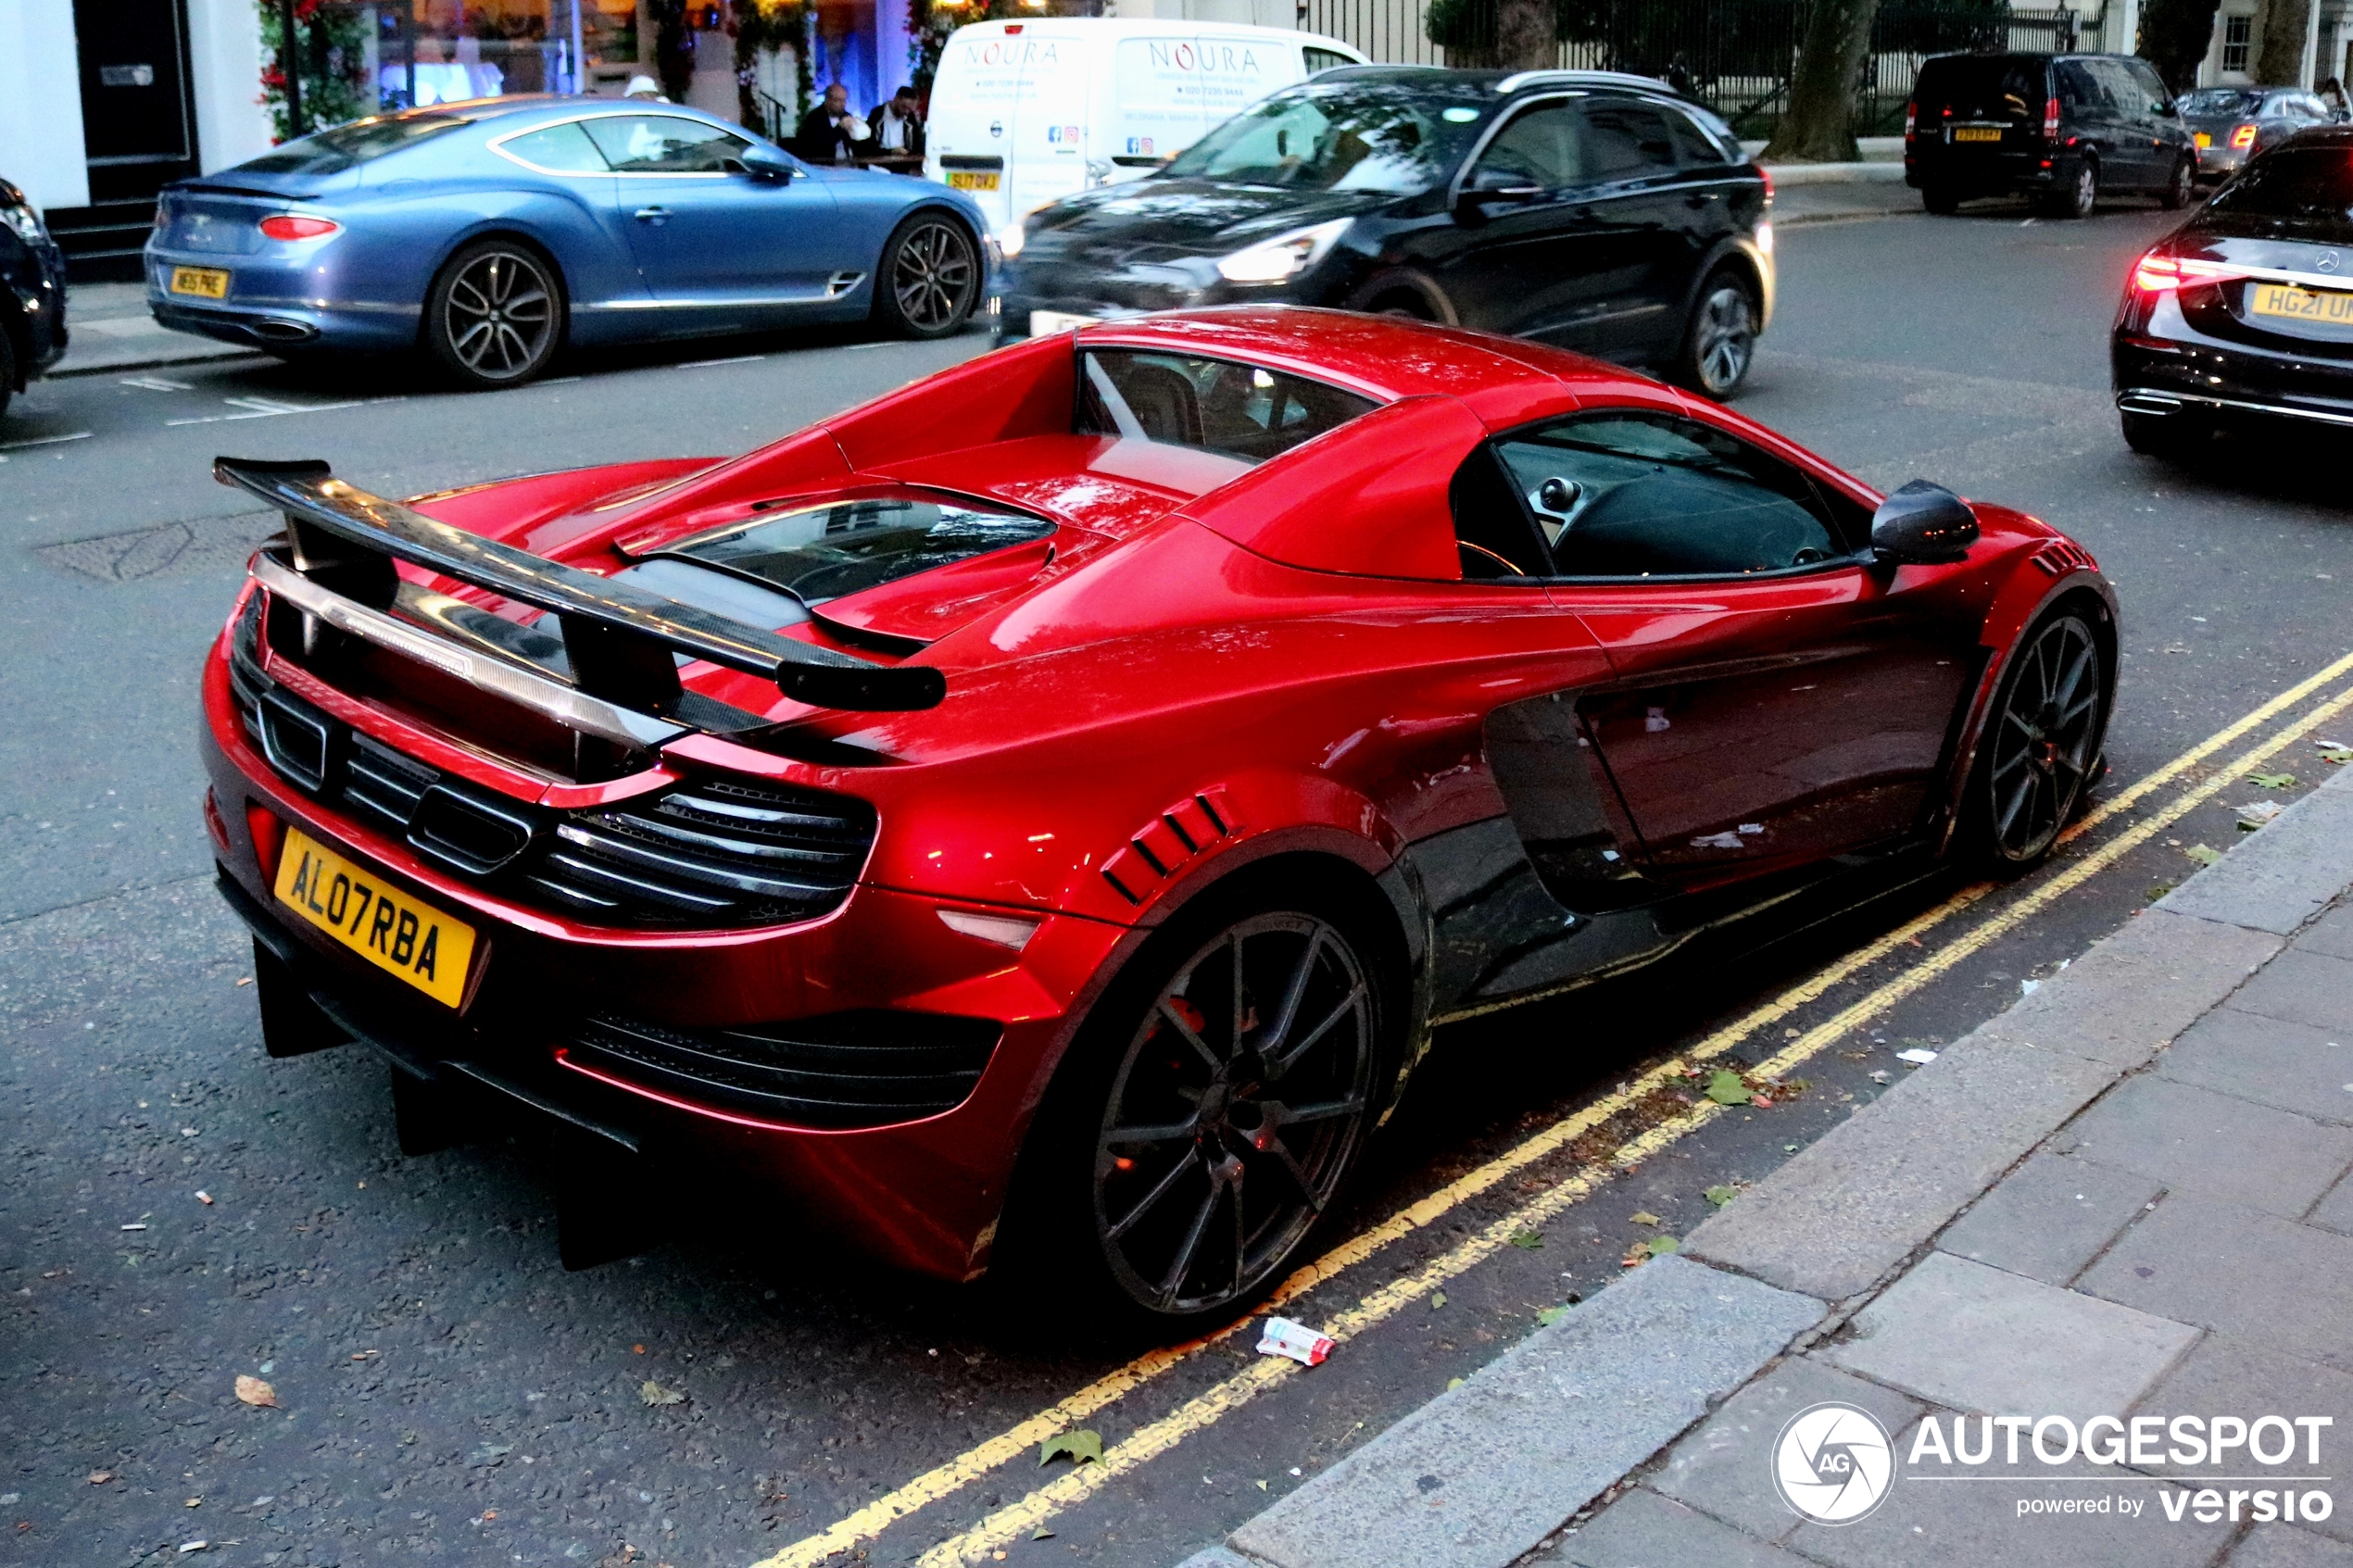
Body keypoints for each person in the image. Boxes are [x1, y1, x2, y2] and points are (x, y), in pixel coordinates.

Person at [795, 82, 871, 163]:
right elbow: (820, 147)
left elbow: (856, 146)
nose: (842, 104)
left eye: (844, 100)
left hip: (847, 163)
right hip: (824, 165)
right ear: (828, 100)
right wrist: (839, 128)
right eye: (838, 100)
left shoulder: (846, 116)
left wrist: (858, 132)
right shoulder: (814, 118)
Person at [874, 84, 925, 157]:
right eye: (904, 107)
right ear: (896, 99)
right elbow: (869, 147)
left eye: (909, 109)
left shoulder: (910, 118)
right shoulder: (877, 115)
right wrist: (892, 151)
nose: (906, 112)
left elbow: (917, 147)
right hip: (880, 162)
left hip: (904, 163)